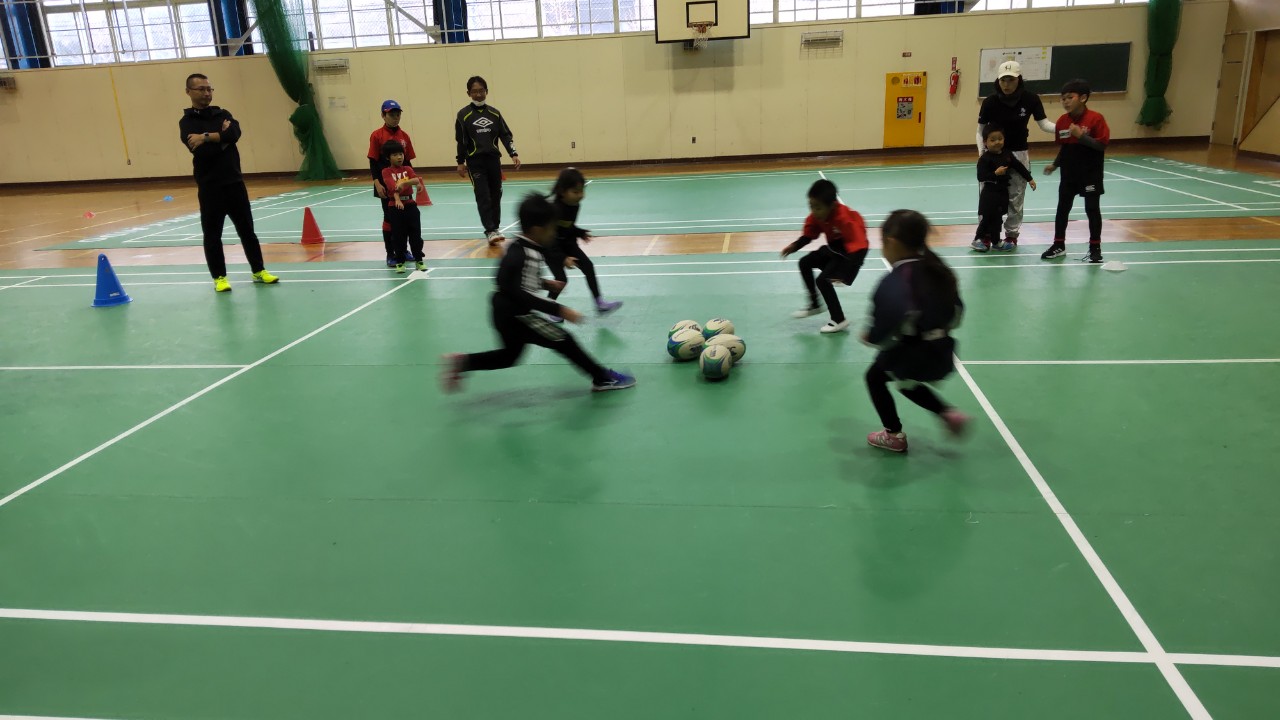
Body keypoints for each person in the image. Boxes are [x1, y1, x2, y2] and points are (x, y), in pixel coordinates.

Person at [439, 193, 636, 394]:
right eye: (551, 228)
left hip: (500, 310)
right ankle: (602, 378)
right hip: (518, 315)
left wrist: (545, 283)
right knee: (563, 339)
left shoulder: (517, 246)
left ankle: (463, 362)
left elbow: (505, 281)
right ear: (537, 230)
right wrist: (559, 309)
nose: (553, 233)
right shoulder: (530, 254)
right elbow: (523, 294)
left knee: (509, 356)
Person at [863, 210, 970, 453]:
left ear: (891, 242)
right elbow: (956, 314)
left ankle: (893, 435)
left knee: (874, 377)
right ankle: (947, 413)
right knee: (904, 382)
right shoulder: (939, 270)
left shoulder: (895, 281)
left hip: (911, 353)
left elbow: (887, 322)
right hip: (942, 352)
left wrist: (871, 336)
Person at [178, 73, 279, 292]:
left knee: (247, 231)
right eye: (201, 89)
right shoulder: (187, 122)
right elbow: (203, 153)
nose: (207, 93)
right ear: (189, 92)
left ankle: (259, 270)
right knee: (213, 235)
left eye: (209, 89)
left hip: (234, 183)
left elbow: (234, 133)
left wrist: (206, 137)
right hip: (210, 187)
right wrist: (221, 138)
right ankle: (220, 277)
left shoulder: (222, 113)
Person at [975, 60, 1055, 251]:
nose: (1006, 84)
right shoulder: (990, 102)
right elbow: (980, 131)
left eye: (1011, 80)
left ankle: (1011, 235)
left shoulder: (1031, 99)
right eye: (1003, 80)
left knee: (1015, 198)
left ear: (1019, 79)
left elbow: (1044, 124)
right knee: (988, 198)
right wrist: (982, 155)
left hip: (1019, 153)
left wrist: (1065, 129)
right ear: (998, 81)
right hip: (992, 155)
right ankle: (985, 235)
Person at [780, 179, 869, 334]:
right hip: (834, 249)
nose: (814, 211)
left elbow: (860, 246)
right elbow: (809, 234)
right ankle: (815, 304)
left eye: (818, 208)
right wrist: (794, 246)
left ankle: (839, 319)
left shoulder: (845, 219)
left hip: (850, 254)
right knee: (804, 262)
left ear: (832, 206)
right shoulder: (817, 216)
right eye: (811, 206)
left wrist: (846, 274)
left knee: (822, 280)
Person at [1041, 79, 1111, 263]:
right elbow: (1065, 147)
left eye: (1069, 97)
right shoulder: (1062, 121)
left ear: (1083, 98)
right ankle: (1058, 245)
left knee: (1092, 209)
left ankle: (1095, 248)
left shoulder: (1096, 119)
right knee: (1063, 208)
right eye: (1063, 98)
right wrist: (1055, 164)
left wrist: (1082, 137)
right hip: (1069, 173)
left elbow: (1101, 145)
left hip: (1090, 173)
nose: (1065, 101)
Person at [544, 168, 622, 322]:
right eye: (576, 192)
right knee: (561, 280)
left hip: (567, 243)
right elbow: (550, 238)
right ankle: (549, 307)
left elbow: (567, 226)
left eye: (582, 191)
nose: (581, 195)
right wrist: (563, 258)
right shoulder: (555, 210)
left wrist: (579, 232)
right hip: (551, 248)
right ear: (562, 192)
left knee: (588, 266)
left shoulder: (574, 205)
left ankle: (599, 303)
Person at [455, 76, 520, 246]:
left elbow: (505, 135)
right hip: (475, 162)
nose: (478, 94)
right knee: (482, 194)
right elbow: (461, 140)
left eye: (481, 91)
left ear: (487, 91)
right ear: (468, 93)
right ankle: (489, 230)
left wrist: (513, 153)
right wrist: (460, 162)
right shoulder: (463, 115)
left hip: (493, 160)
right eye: (474, 91)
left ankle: (495, 227)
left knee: (496, 194)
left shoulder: (494, 113)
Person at [368, 99, 417, 267]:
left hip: (403, 184)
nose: (395, 117)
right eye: (391, 114)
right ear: (383, 115)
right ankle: (391, 253)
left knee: (406, 219)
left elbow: (408, 162)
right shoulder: (376, 135)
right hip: (385, 185)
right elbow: (373, 161)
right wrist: (377, 183)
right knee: (390, 218)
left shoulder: (405, 136)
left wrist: (412, 182)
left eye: (398, 114)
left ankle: (403, 250)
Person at [974, 124, 1036, 251]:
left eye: (1000, 139)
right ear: (985, 142)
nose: (997, 142)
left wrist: (1029, 179)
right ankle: (978, 239)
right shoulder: (984, 159)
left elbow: (1019, 166)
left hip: (1002, 193)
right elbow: (981, 176)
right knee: (987, 218)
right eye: (993, 140)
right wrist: (995, 174)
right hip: (989, 194)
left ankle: (996, 242)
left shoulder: (1007, 155)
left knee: (997, 219)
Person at [380, 140, 428, 273]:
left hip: (410, 205)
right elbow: (392, 187)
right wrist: (398, 196)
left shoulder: (408, 169)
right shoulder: (386, 171)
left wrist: (403, 184)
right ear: (388, 157)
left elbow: (416, 179)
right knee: (398, 236)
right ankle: (400, 262)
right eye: (395, 155)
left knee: (415, 234)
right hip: (395, 208)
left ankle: (419, 260)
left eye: (401, 154)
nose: (399, 157)